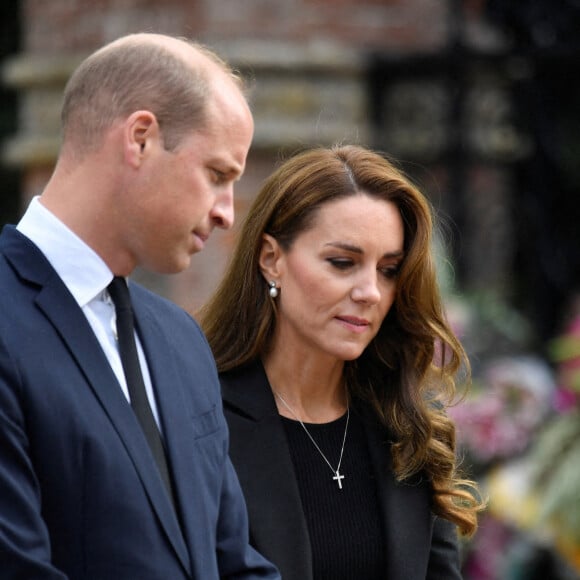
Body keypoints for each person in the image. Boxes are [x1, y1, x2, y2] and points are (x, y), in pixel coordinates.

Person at [0, 33, 280, 579]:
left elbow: (234, 562)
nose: (227, 212)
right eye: (218, 175)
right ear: (141, 139)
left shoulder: (180, 339)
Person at [199, 145, 484, 580]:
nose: (370, 291)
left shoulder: (406, 423)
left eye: (389, 269)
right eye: (342, 263)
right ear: (272, 259)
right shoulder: (201, 418)